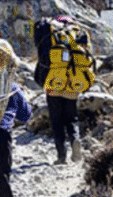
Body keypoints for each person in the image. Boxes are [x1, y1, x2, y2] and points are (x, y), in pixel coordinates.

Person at [33, 17, 82, 164]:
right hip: (72, 84)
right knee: (72, 117)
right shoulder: (74, 34)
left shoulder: (50, 35)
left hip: (53, 83)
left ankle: (61, 156)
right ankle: (75, 140)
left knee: (56, 121)